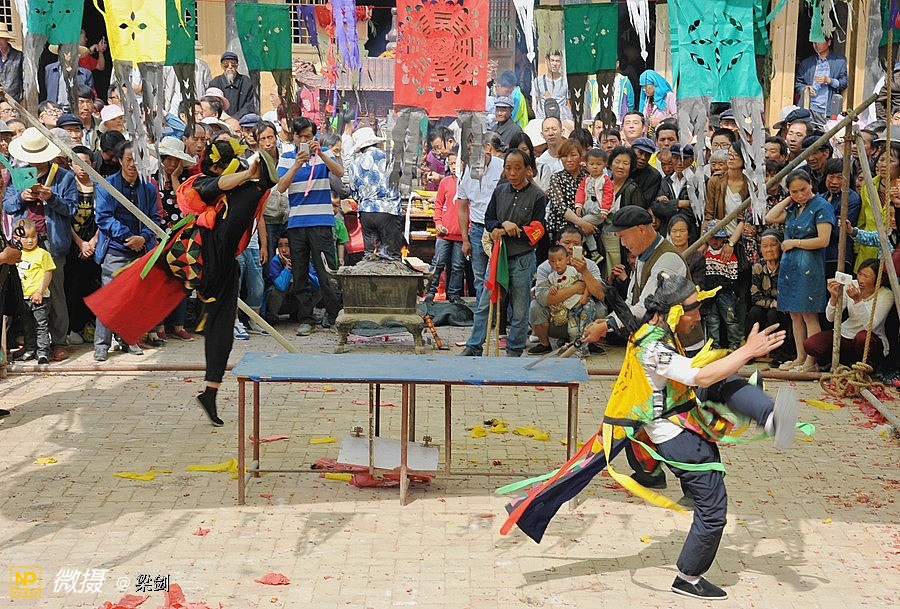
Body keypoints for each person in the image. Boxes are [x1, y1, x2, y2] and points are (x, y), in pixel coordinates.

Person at [581, 271, 795, 600]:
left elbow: (622, 313)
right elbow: (698, 376)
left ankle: (769, 418)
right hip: (674, 435)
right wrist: (747, 351)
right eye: (694, 309)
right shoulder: (653, 346)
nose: (699, 315)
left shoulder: (659, 327)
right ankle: (688, 577)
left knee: (724, 378)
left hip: (683, 409)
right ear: (675, 312)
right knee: (713, 508)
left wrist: (604, 325)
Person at [460, 149, 546, 357]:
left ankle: (515, 348)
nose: (512, 173)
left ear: (527, 170)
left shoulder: (537, 196)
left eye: (518, 168)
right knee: (485, 303)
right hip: (498, 256)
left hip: (523, 258)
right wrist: (500, 226)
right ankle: (474, 345)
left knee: (520, 307)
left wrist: (514, 229)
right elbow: (489, 219)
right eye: (508, 168)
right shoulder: (499, 191)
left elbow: (539, 229)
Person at [4, 127, 77, 362]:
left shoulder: (64, 176)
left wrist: (52, 198)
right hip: (23, 241)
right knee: (23, 292)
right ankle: (32, 342)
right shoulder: (19, 174)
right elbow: (7, 206)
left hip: (51, 240)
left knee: (54, 292)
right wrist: (21, 197)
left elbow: (72, 209)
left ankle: (59, 341)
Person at [92, 141, 161, 361]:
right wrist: (128, 237)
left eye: (136, 160)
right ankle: (102, 345)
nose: (132, 164)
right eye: (128, 159)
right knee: (110, 297)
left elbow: (155, 218)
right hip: (116, 249)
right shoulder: (107, 185)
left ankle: (129, 339)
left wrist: (144, 238)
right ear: (120, 160)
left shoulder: (148, 188)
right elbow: (103, 218)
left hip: (141, 249)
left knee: (135, 298)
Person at [276, 117, 344, 336]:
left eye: (309, 136)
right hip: (297, 223)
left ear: (315, 136)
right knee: (300, 272)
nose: (304, 140)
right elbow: (281, 187)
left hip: (322, 222)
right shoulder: (287, 157)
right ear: (294, 137)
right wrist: (297, 163)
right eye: (301, 136)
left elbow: (340, 172)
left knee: (327, 272)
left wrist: (321, 154)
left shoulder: (324, 153)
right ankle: (306, 318)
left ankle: (334, 317)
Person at [765, 169, 834, 372]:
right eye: (794, 191)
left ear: (811, 184)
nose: (800, 194)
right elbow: (769, 217)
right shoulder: (794, 207)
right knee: (795, 314)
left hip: (809, 264)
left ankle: (811, 361)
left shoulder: (822, 205)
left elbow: (823, 240)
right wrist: (789, 199)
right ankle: (800, 357)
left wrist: (795, 242)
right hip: (790, 265)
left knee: (809, 314)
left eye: (803, 189)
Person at [803, 258, 893, 369]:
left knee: (862, 337)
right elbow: (830, 318)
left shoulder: (886, 295)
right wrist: (833, 298)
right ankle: (842, 364)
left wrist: (857, 300)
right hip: (846, 335)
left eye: (866, 276)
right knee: (811, 345)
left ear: (879, 279)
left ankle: (865, 368)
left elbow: (870, 326)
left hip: (870, 340)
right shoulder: (851, 285)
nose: (861, 280)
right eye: (860, 274)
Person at [154, 137, 197, 341]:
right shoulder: (152, 178)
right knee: (161, 282)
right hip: (159, 235)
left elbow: (186, 206)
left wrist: (176, 178)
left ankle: (179, 325)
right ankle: (160, 324)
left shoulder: (187, 181)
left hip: (182, 236)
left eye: (175, 160)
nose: (171, 164)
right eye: (168, 159)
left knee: (181, 280)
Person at [457, 138, 505, 305]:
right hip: (477, 230)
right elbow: (462, 208)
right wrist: (465, 240)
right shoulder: (464, 173)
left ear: (487, 147)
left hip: (499, 229)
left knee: (499, 276)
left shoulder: (502, 167)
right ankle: (482, 315)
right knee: (479, 278)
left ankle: (501, 315)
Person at [346, 126, 403, 259]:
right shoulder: (390, 157)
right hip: (389, 211)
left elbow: (354, 193)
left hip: (367, 212)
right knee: (392, 255)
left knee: (369, 255)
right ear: (375, 142)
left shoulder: (354, 164)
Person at [66, 145, 100, 346]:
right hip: (73, 245)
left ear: (92, 164)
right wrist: (80, 243)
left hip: (94, 246)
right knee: (72, 286)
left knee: (92, 286)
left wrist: (92, 241)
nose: (82, 167)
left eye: (86, 163)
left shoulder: (99, 187)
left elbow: (103, 217)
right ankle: (73, 328)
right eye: (77, 163)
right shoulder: (68, 186)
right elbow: (65, 219)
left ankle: (90, 326)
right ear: (71, 165)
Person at [13, 218, 55, 364]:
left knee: (41, 325)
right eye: (26, 237)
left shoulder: (43, 254)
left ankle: (43, 352)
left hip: (39, 297)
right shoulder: (16, 254)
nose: (30, 240)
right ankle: (30, 349)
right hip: (23, 298)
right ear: (16, 238)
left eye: (33, 236)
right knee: (27, 326)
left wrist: (40, 292)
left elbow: (48, 273)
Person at [428, 148, 465, 304]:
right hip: (444, 232)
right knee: (437, 263)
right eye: (451, 163)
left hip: (461, 234)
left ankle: (454, 295)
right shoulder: (445, 182)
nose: (454, 167)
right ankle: (430, 293)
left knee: (457, 266)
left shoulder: (469, 182)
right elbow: (438, 204)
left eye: (456, 163)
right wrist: (438, 223)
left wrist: (468, 231)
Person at [545, 244, 594, 358]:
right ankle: (575, 349)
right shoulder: (551, 277)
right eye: (553, 261)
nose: (557, 264)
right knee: (573, 331)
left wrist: (585, 296)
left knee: (584, 327)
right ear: (549, 263)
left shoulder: (574, 270)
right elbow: (553, 291)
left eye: (560, 260)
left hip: (584, 303)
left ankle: (583, 350)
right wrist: (552, 289)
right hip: (570, 308)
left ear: (567, 259)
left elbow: (587, 282)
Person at [747, 230, 791, 355]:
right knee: (754, 312)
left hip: (783, 306)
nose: (769, 250)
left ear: (780, 246)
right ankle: (752, 350)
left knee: (774, 314)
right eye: (765, 246)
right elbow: (755, 296)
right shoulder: (758, 267)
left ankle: (779, 353)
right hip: (766, 303)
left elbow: (789, 292)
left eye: (773, 245)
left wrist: (778, 304)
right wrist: (772, 303)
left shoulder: (786, 266)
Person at [703, 221, 741, 350]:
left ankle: (734, 345)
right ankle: (714, 347)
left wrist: (730, 290)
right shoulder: (704, 254)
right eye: (712, 237)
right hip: (709, 293)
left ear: (723, 239)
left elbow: (734, 277)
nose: (715, 241)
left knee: (730, 320)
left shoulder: (729, 255)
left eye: (718, 238)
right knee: (712, 321)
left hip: (726, 293)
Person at [794, 38, 847, 125]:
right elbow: (797, 84)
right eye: (814, 42)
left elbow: (843, 83)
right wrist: (805, 88)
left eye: (819, 41)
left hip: (828, 111)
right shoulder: (807, 63)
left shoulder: (839, 61)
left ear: (829, 42)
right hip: (809, 109)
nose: (816, 44)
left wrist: (828, 80)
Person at [545, 140, 589, 242]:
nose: (569, 160)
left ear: (580, 156)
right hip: (561, 232)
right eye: (564, 156)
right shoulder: (556, 178)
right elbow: (560, 206)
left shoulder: (588, 178)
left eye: (573, 155)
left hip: (586, 232)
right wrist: (582, 223)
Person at [574, 148, 613, 260]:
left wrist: (604, 210)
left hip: (598, 211)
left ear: (605, 164)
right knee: (586, 230)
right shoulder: (586, 179)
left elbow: (608, 195)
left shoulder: (605, 180)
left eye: (598, 164)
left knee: (579, 226)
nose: (595, 167)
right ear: (586, 165)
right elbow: (581, 192)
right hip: (588, 209)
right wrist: (578, 205)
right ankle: (595, 253)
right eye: (591, 164)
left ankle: (580, 249)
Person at [208, 51, 256, 119]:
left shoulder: (246, 82)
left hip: (242, 120)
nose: (230, 67)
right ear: (221, 66)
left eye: (233, 64)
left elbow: (249, 105)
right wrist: (225, 117)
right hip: (221, 120)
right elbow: (212, 104)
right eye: (226, 64)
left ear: (237, 65)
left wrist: (235, 118)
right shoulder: (215, 83)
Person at [263, 232, 299, 323]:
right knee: (274, 290)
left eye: (287, 246)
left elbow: (316, 284)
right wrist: (287, 268)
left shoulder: (301, 259)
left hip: (293, 301)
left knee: (318, 287)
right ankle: (272, 318)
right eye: (280, 246)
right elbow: (281, 286)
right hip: (279, 303)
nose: (284, 250)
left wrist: (300, 269)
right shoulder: (275, 261)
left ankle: (299, 314)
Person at [531, 50, 571, 121]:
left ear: (561, 63)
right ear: (546, 61)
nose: (554, 64)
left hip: (561, 120)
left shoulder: (566, 81)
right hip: (543, 119)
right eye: (552, 60)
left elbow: (568, 103)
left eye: (557, 61)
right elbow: (535, 102)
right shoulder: (538, 81)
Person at [667, 215, 705, 287]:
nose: (678, 235)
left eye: (682, 231)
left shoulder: (698, 258)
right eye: (674, 231)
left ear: (689, 234)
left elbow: (697, 286)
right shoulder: (665, 256)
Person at [630, 137, 662, 205]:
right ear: (632, 151)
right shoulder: (624, 168)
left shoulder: (653, 175)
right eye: (640, 153)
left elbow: (645, 202)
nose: (643, 158)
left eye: (647, 155)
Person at [535, 116, 564, 190]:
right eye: (546, 130)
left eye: (554, 129)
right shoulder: (540, 162)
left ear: (562, 131)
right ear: (542, 135)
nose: (550, 133)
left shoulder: (570, 157)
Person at [0, 22, 24, 102]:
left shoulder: (19, 56)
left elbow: (25, 81)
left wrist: (20, 98)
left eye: (1, 38)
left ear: (6, 39)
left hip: (13, 102)